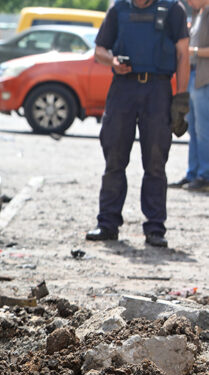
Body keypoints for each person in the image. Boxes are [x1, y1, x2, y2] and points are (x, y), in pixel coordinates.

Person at [85, 0, 190, 248]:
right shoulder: (118, 9)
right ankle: (107, 224)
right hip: (123, 88)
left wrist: (182, 98)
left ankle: (155, 228)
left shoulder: (173, 9)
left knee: (155, 161)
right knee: (114, 158)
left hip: (158, 89)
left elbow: (183, 54)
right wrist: (112, 62)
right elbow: (99, 49)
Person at [170, 0, 209, 191]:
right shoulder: (197, 14)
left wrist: (190, 50)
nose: (188, 1)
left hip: (204, 78)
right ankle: (192, 173)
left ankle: (205, 176)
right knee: (193, 129)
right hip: (194, 74)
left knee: (203, 131)